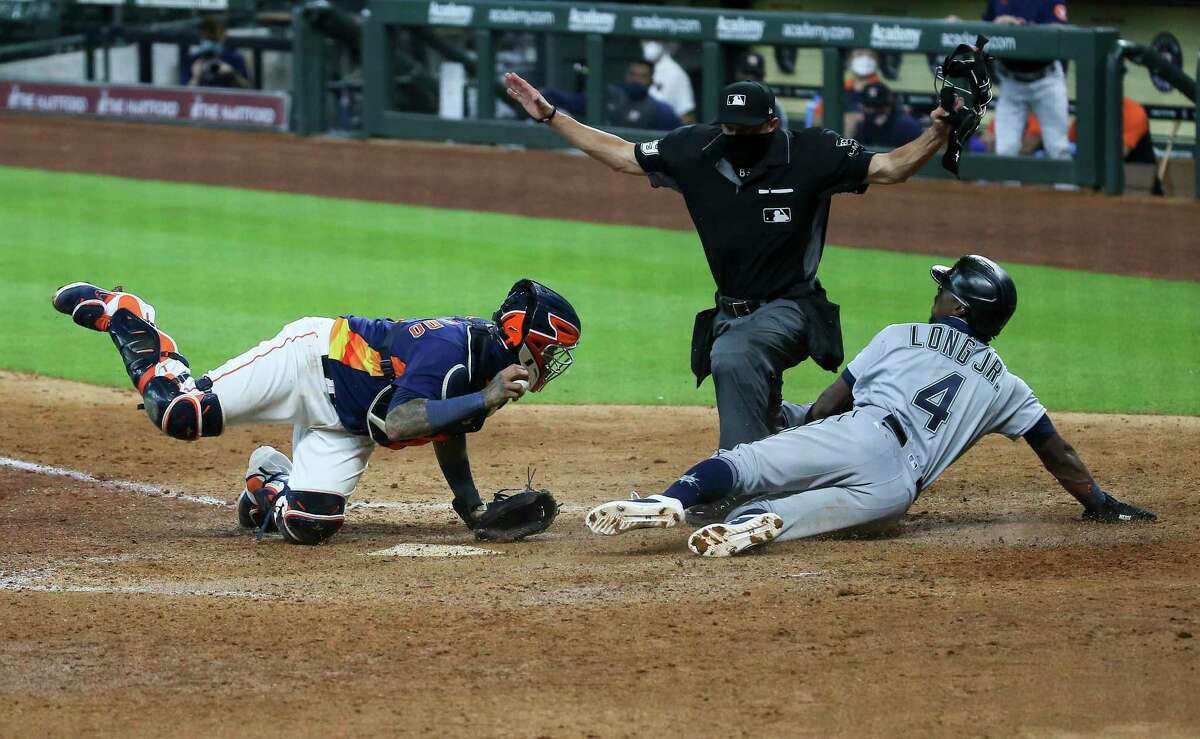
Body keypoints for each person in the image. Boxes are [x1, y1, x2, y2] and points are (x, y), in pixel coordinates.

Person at [503, 70, 956, 524]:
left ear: (772, 124)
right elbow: (621, 155)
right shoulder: (695, 150)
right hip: (729, 311)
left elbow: (892, 167)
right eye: (728, 127)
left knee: (734, 357)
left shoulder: (812, 153)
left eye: (746, 129)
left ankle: (734, 491)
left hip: (793, 309)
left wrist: (938, 131)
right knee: (758, 404)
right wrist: (551, 116)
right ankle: (839, 432)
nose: (735, 136)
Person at [585, 255, 1157, 557]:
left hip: (861, 432)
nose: (935, 295)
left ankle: (671, 499)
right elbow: (1059, 455)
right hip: (897, 491)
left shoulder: (902, 333)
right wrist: (1103, 505)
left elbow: (831, 405)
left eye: (943, 289)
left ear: (956, 307)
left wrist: (786, 423)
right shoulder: (1008, 384)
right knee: (793, 517)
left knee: (746, 463)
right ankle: (762, 523)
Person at [51, 279, 581, 544]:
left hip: (349, 424)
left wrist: (473, 510)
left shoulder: (490, 367)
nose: (551, 362)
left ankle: (268, 480)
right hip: (310, 360)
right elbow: (400, 423)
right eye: (550, 348)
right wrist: (486, 399)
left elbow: (448, 426)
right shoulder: (454, 350)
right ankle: (129, 318)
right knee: (181, 414)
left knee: (311, 522)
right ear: (521, 337)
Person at [985, 0, 1070, 160]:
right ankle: (1009, 186)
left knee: (1058, 148)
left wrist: (1022, 28)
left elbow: (1059, 32)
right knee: (1005, 150)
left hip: (1046, 80)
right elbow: (983, 30)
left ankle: (1065, 186)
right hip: (1011, 81)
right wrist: (995, 27)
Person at [609, 60, 684, 130]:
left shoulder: (662, 111)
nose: (636, 80)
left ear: (651, 81)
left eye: (643, 76)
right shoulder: (609, 99)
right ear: (626, 76)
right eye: (633, 74)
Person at [181, 16, 250, 89]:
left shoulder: (235, 58)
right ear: (201, 36)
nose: (210, 42)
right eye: (207, 38)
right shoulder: (193, 60)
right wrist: (196, 77)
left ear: (223, 37)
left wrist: (232, 73)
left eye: (214, 39)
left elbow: (248, 90)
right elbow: (182, 95)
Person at [641, 39, 696, 124]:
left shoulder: (676, 73)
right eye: (648, 39)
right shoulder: (635, 65)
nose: (651, 44)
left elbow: (687, 117)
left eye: (656, 40)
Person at [854, 82, 924, 148]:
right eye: (868, 106)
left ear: (888, 106)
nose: (872, 110)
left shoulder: (906, 127)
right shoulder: (864, 126)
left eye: (877, 106)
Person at [733, 50, 788, 130]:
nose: (750, 79)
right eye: (746, 73)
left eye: (756, 76)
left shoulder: (773, 105)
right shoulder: (726, 101)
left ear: (763, 77)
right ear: (737, 74)